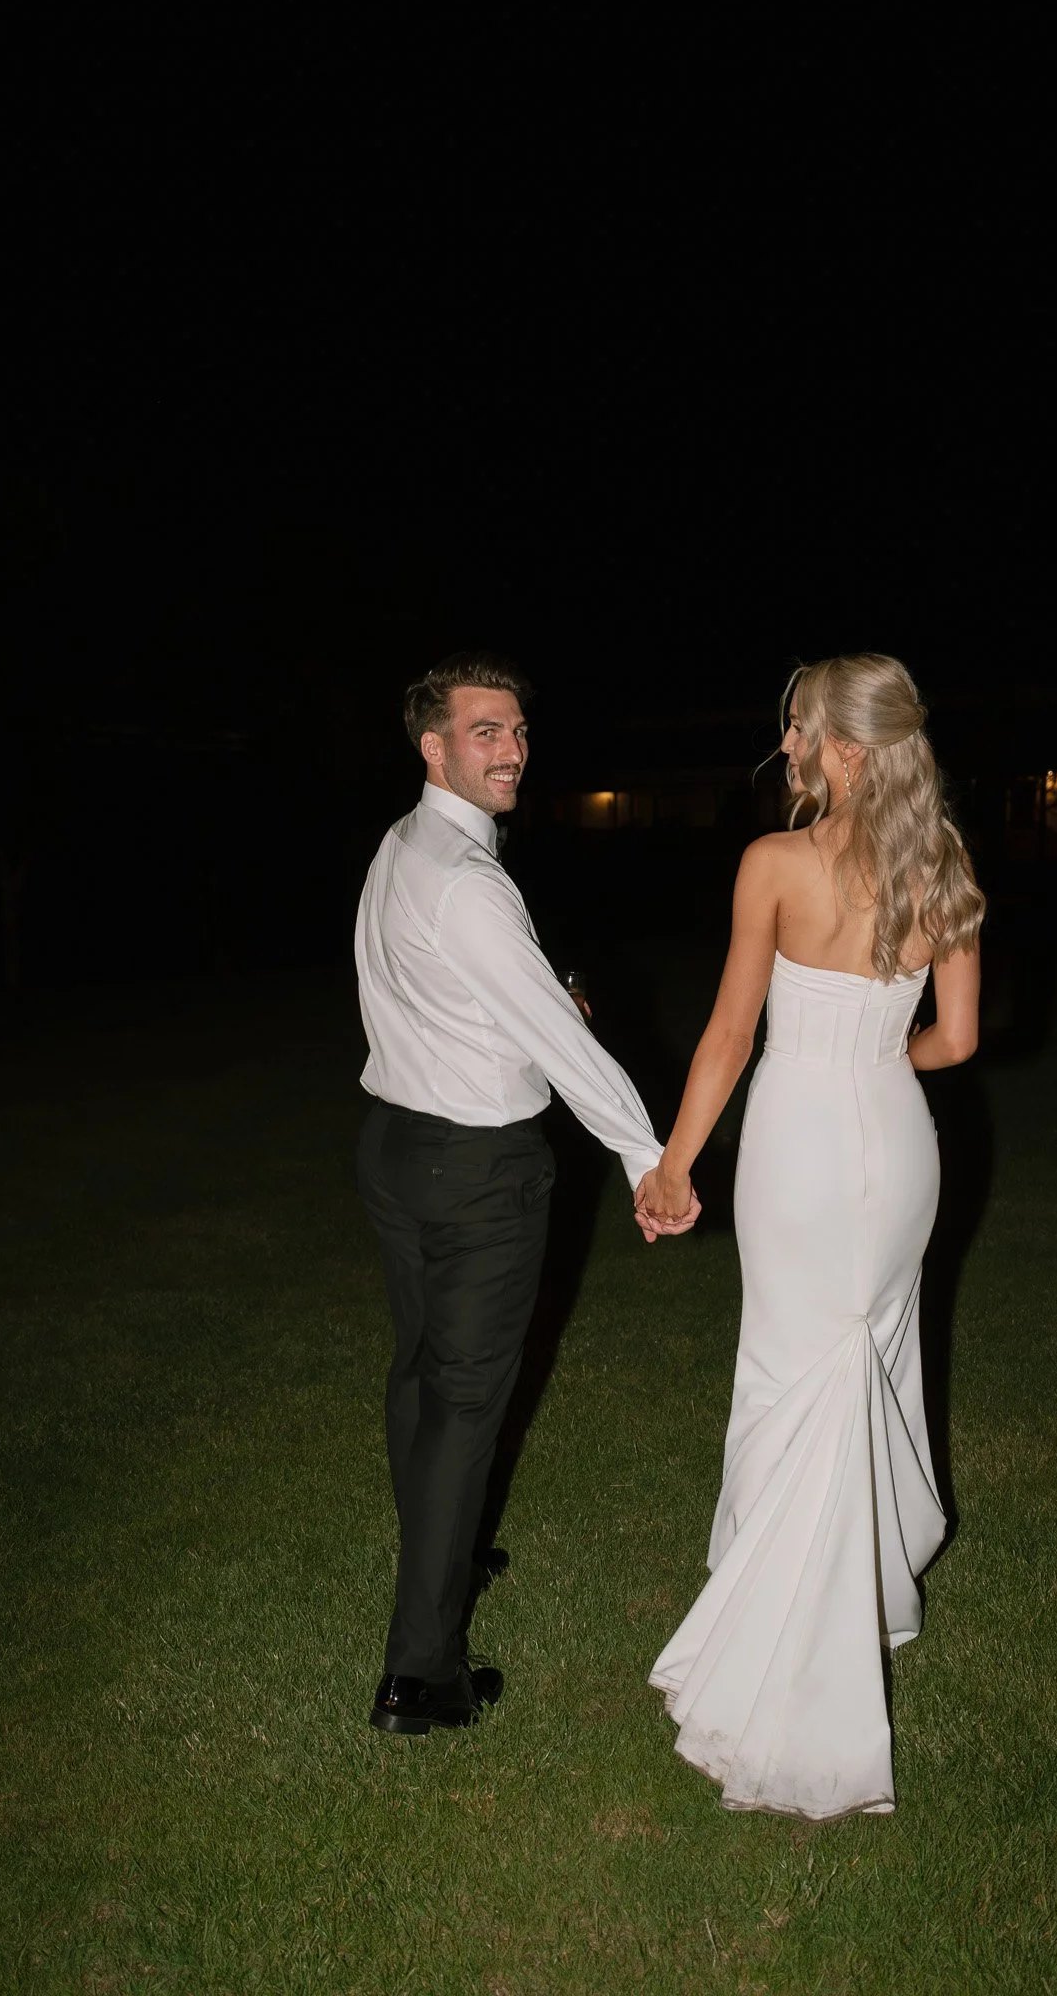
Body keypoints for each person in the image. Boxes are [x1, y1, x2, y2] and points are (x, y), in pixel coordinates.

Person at [636, 653, 984, 1820]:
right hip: (900, 1145)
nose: (783, 743)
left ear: (843, 746)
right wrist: (880, 1058)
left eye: (798, 727)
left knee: (793, 1369)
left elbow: (731, 1034)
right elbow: (957, 1040)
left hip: (797, 1149)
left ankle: (789, 1637)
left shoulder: (774, 863)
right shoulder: (944, 864)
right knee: (869, 1353)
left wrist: (675, 1163)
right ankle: (871, 1585)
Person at [356, 651, 700, 1738]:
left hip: (398, 1148)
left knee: (421, 1376)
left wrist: (546, 999)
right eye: (484, 730)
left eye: (515, 729)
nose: (510, 748)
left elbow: (447, 990)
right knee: (464, 1405)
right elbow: (560, 1043)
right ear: (434, 746)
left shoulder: (405, 845)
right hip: (474, 1171)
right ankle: (421, 1676)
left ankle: (447, 1547)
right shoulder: (467, 878)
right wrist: (648, 1157)